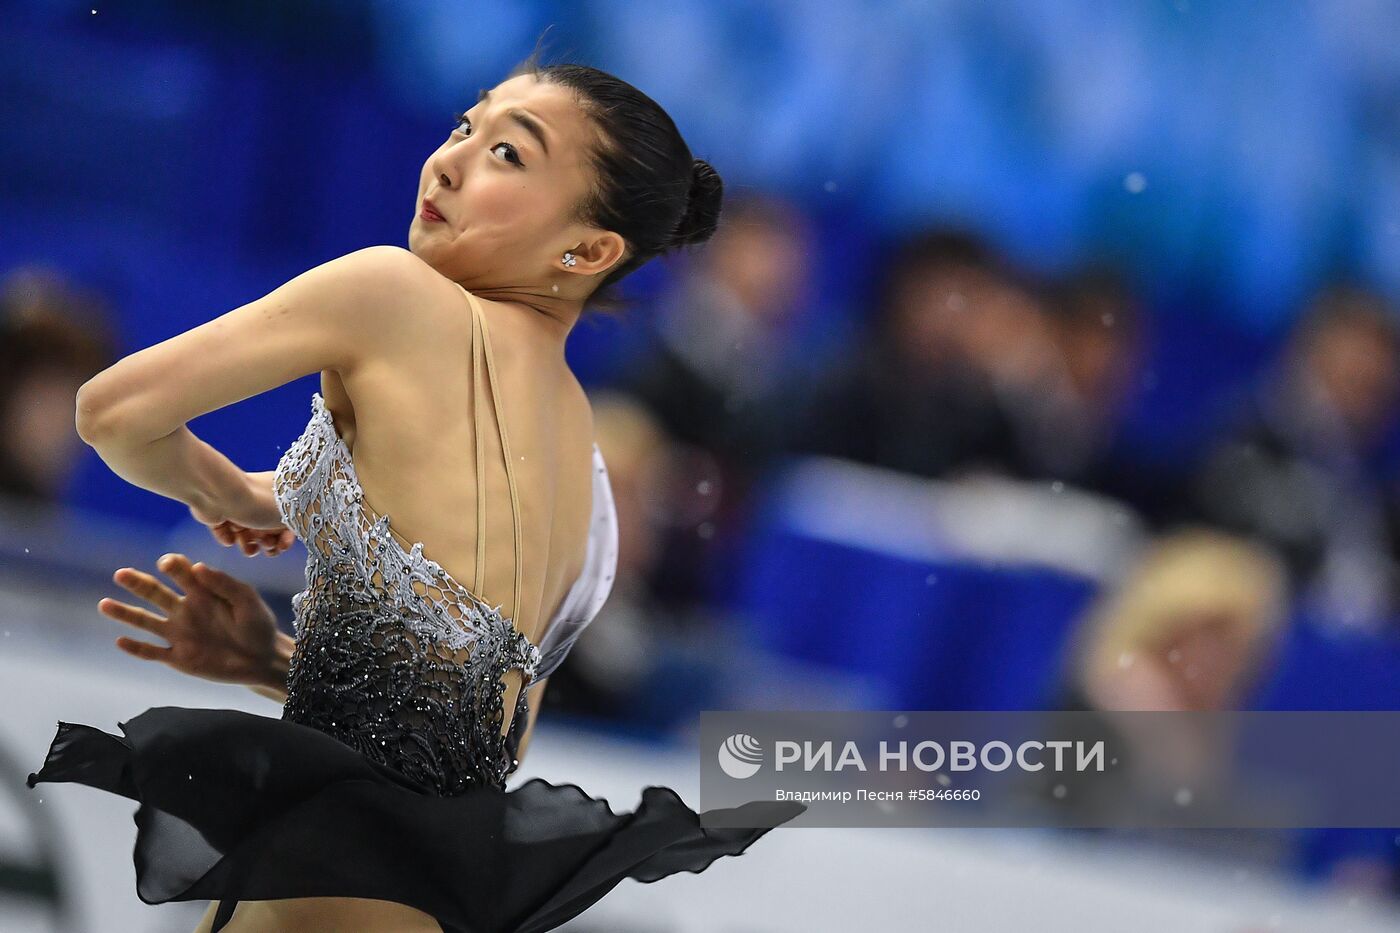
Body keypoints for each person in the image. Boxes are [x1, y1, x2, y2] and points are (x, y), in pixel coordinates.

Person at [25, 49, 805, 933]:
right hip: (420, 896)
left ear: (589, 249)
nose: (449, 160)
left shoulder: (394, 295)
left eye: (510, 153)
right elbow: (488, 740)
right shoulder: (581, 441)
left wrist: (222, 494)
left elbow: (114, 411)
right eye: (465, 127)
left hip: (320, 873)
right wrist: (269, 662)